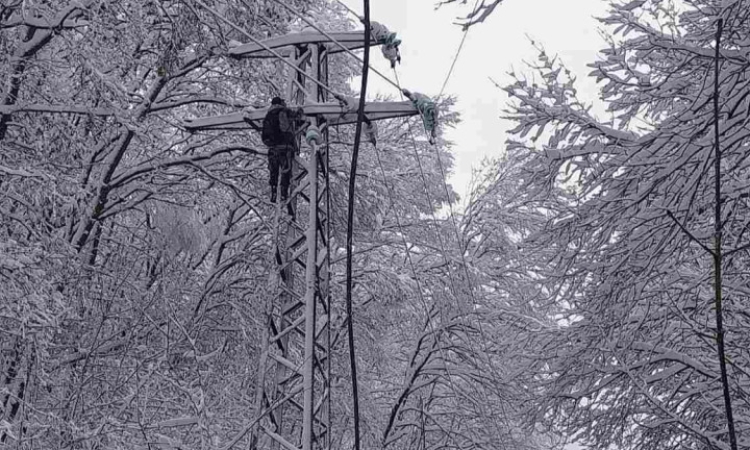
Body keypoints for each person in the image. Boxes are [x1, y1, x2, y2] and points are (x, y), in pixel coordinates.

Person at [261, 97, 304, 203]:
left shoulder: (268, 115)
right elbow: (297, 116)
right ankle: (284, 193)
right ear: (281, 103)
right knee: (286, 171)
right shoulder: (284, 111)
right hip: (285, 147)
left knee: (273, 171)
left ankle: (274, 190)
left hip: (272, 149)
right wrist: (300, 111)